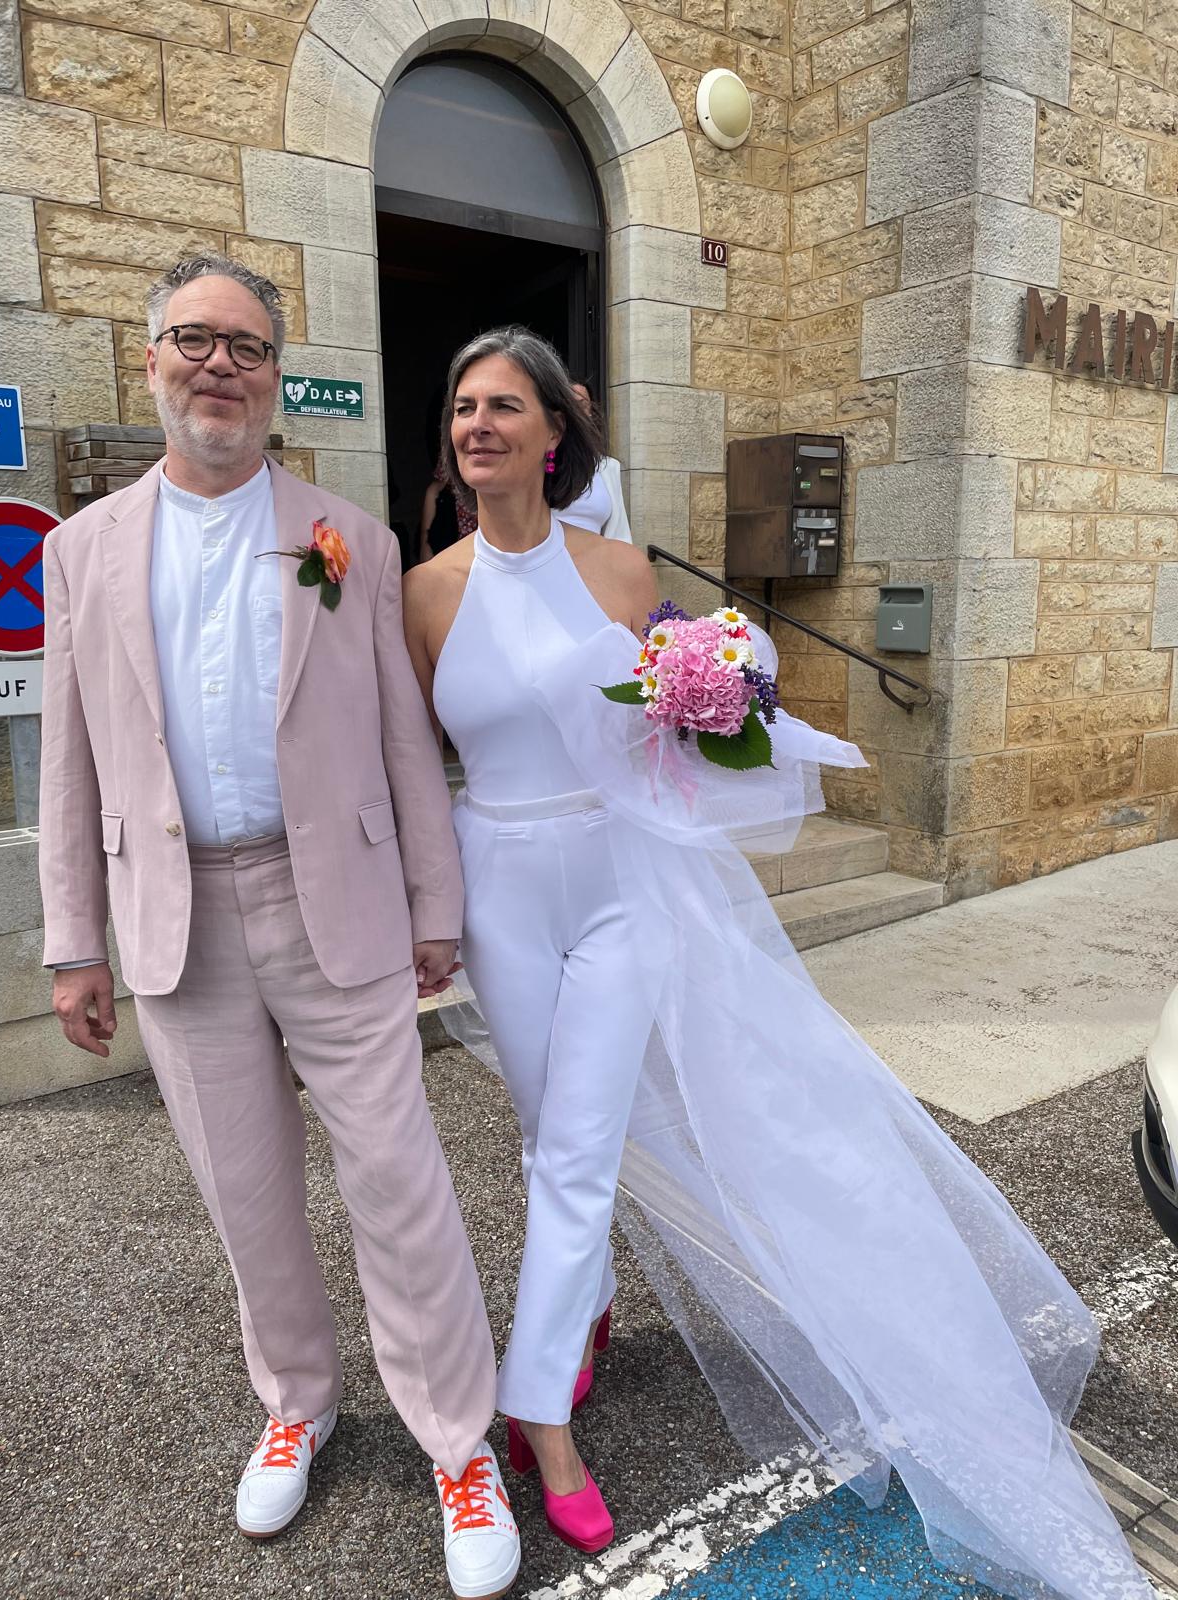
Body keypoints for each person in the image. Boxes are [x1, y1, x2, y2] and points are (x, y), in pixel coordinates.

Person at [402, 324, 1154, 1598]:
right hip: (498, 890)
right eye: (464, 407)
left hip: (617, 887)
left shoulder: (623, 571)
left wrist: (717, 700)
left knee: (579, 1148)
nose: (479, 425)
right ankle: (584, 1305)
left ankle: (540, 1418)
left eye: (504, 406)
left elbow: (670, 741)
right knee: (548, 1135)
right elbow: (421, 766)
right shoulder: (425, 590)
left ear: (552, 432)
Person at [38, 255, 520, 1600]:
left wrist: (435, 902)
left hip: (338, 909)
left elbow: (402, 738)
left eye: (248, 348)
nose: (222, 367)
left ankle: (458, 1442)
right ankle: (297, 1400)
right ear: (150, 358)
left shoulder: (341, 537)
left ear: (275, 378)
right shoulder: (81, 550)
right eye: (196, 340)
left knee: (401, 1185)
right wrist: (74, 940)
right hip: (176, 916)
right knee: (246, 1196)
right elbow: (68, 760)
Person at [558, 381, 631, 542]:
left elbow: (620, 533)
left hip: (597, 556)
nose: (575, 412)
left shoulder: (607, 467)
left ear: (591, 412)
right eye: (568, 405)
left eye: (581, 405)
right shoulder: (537, 463)